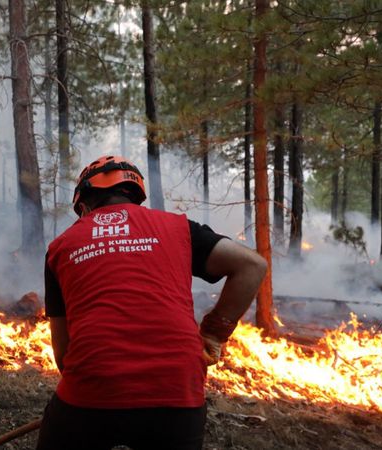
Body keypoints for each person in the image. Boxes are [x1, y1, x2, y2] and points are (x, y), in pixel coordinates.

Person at [37, 155, 267, 450]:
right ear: (134, 196)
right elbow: (253, 266)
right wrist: (213, 332)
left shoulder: (61, 247)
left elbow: (64, 356)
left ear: (83, 204)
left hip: (91, 394)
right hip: (178, 396)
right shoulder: (177, 228)